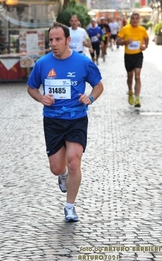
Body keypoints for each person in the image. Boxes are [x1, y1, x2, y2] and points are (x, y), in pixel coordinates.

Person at [26, 22, 104, 222]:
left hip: (76, 118)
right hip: (52, 121)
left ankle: (70, 206)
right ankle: (62, 176)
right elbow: (32, 87)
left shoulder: (83, 62)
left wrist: (90, 98)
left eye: (58, 39)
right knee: (57, 168)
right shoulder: (42, 63)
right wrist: (41, 97)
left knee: (74, 161)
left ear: (68, 40)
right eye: (51, 39)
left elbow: (98, 86)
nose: (53, 43)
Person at [116, 12, 149, 108]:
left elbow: (146, 38)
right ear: (130, 19)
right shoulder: (125, 29)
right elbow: (117, 41)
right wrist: (125, 42)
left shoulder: (142, 29)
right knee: (130, 77)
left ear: (139, 20)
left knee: (137, 76)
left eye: (136, 18)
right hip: (128, 56)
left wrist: (145, 46)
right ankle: (130, 91)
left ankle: (137, 97)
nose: (135, 20)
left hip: (138, 55)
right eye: (133, 18)